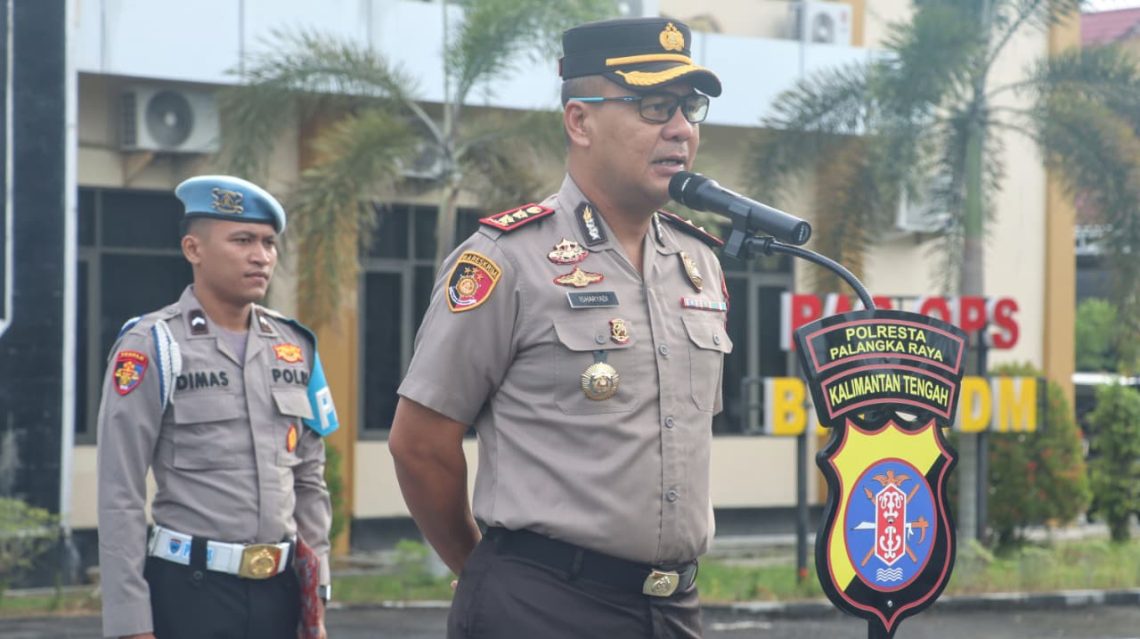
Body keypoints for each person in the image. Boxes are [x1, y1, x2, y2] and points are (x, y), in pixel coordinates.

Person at [389, 16, 732, 639]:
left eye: (690, 107)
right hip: (542, 608)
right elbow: (420, 443)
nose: (681, 129)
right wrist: (487, 572)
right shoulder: (506, 259)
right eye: (653, 106)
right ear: (580, 120)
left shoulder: (699, 263)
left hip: (673, 608)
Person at [97, 175, 338, 639]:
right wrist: (130, 620)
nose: (261, 256)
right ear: (194, 249)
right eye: (243, 240)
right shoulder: (152, 345)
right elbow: (119, 491)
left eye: (269, 243)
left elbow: (310, 480)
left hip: (281, 594)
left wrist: (316, 594)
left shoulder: (295, 346)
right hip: (190, 593)